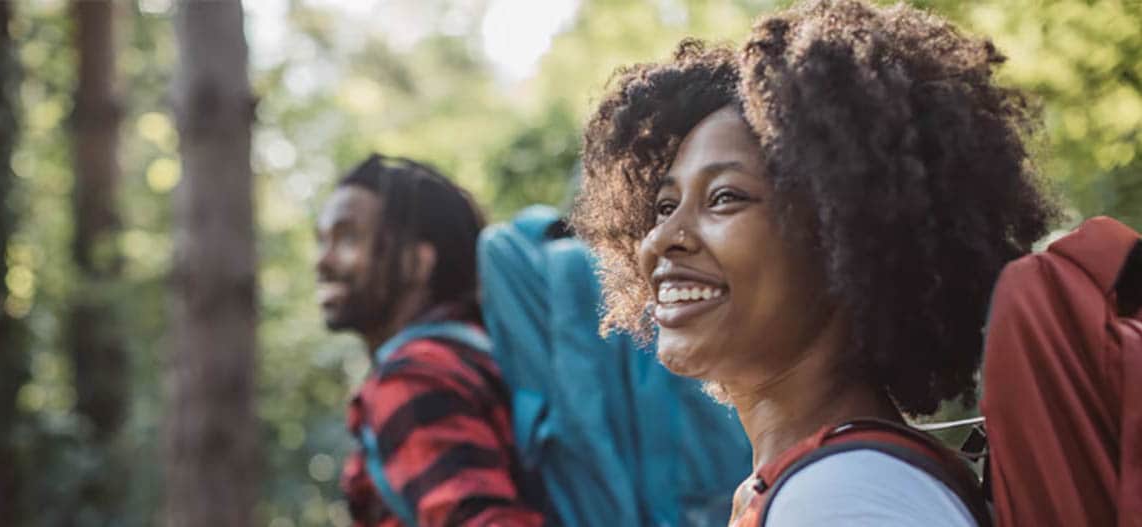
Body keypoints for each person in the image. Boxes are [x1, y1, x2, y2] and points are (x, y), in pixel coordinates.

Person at [571, 1, 1057, 525]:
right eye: (665, 206)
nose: (664, 237)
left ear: (846, 239)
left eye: (725, 197)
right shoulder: (823, 484)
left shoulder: (843, 497)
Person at [316, 154, 543, 527]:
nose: (322, 261)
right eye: (322, 239)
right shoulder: (484, 353)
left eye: (348, 238)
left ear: (417, 262)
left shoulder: (414, 376)